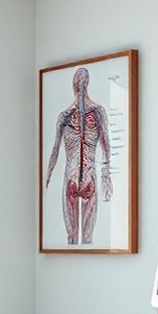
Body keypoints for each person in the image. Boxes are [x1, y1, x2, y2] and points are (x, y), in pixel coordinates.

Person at [44, 67, 112, 245]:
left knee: (75, 239)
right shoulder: (92, 113)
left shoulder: (69, 116)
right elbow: (106, 145)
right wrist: (106, 175)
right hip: (88, 177)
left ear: (73, 85)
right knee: (81, 239)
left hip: (72, 177)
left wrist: (47, 177)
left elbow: (55, 150)